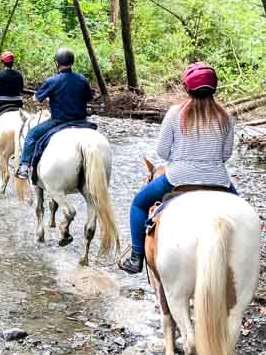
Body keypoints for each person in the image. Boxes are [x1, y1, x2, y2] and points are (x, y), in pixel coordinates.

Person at [118, 62, 238, 275]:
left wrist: (182, 157)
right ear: (214, 88)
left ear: (187, 88)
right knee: (243, 218)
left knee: (138, 203)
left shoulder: (175, 113)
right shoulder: (225, 117)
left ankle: (137, 257)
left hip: (178, 179)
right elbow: (225, 155)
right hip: (218, 181)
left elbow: (162, 152)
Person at [15, 47, 92, 180]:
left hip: (59, 121)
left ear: (57, 63)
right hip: (82, 120)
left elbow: (36, 99)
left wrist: (47, 99)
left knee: (31, 135)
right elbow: (88, 98)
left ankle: (24, 166)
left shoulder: (52, 81)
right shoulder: (82, 79)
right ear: (72, 62)